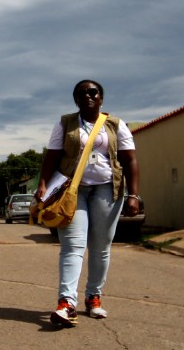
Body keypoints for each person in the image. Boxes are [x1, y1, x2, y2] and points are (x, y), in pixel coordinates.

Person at [34, 79, 139, 328]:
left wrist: (134, 195)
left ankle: (93, 296)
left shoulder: (116, 124)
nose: (88, 96)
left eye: (93, 92)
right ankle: (66, 303)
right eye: (82, 93)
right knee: (72, 245)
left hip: (107, 189)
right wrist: (42, 184)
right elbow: (52, 156)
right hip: (72, 191)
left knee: (101, 245)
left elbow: (130, 161)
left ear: (101, 97)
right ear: (76, 99)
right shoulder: (65, 123)